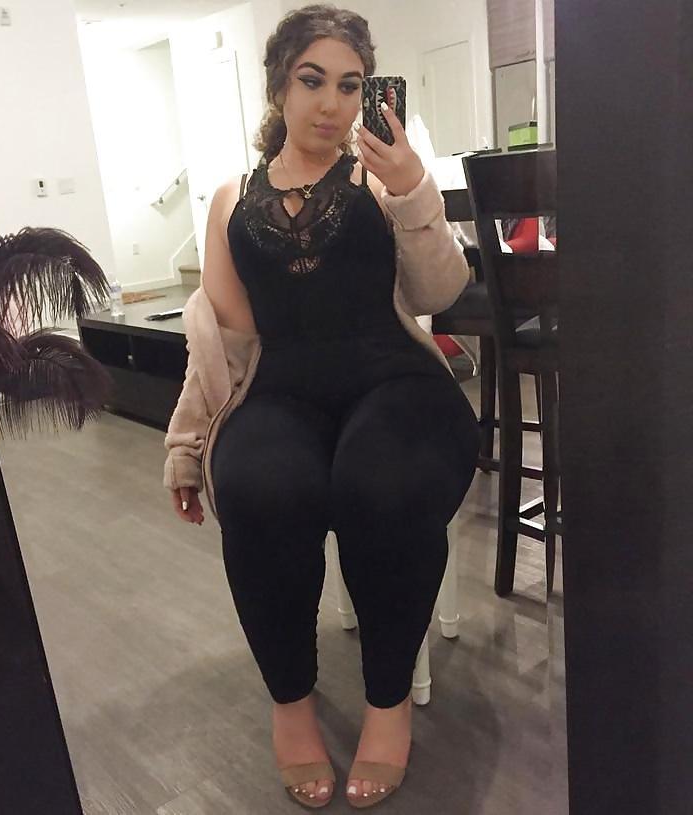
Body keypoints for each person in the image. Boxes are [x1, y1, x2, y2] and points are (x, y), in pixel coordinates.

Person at [163, 4, 479, 808]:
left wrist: (413, 187)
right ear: (280, 85)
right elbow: (221, 342)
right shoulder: (230, 199)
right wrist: (186, 445)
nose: (332, 103)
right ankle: (291, 702)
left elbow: (443, 290)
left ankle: (387, 700)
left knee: (384, 482)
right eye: (313, 81)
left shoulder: (383, 178)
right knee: (260, 487)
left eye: (350, 84)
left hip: (395, 380)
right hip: (280, 391)